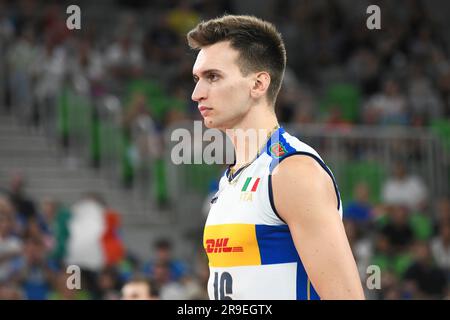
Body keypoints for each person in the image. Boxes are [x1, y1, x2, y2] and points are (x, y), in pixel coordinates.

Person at [187, 15, 364, 300]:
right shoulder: (231, 179)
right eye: (197, 79)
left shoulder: (292, 171)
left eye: (213, 77)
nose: (197, 94)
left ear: (258, 84)